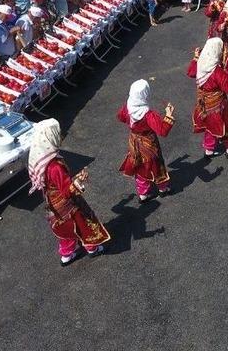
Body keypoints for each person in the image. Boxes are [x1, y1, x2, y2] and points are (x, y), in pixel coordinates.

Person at [27, 119, 110, 266]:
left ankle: (66, 255)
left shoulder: (42, 160)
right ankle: (92, 248)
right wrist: (79, 180)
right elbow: (67, 191)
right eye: (57, 134)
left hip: (54, 203)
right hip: (68, 205)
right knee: (83, 224)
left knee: (65, 230)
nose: (61, 136)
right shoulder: (55, 166)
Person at [186, 37, 228, 159]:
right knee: (227, 126)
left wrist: (196, 58)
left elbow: (191, 72)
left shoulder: (201, 63)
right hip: (219, 105)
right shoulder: (216, 71)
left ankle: (209, 149)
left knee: (210, 126)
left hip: (204, 104)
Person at [116, 80, 176, 203]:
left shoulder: (127, 107)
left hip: (134, 142)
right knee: (157, 166)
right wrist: (168, 114)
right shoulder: (148, 114)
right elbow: (162, 131)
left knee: (140, 166)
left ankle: (143, 194)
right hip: (149, 143)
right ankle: (163, 189)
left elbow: (121, 117)